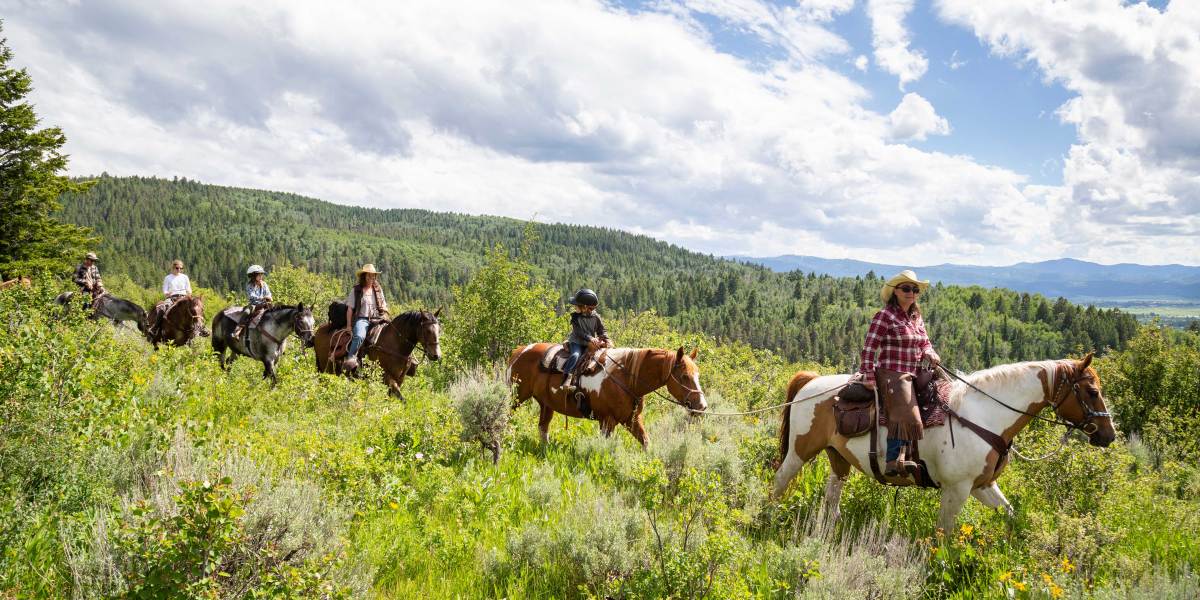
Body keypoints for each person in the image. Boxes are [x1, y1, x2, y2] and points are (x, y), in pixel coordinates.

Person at [859, 270, 941, 477]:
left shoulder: (916, 317)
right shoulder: (884, 316)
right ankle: (893, 460)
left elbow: (924, 342)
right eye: (906, 288)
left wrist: (930, 353)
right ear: (895, 291)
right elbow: (869, 348)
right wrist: (868, 375)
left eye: (914, 289)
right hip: (892, 372)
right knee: (907, 413)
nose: (911, 292)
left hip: (914, 371)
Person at [556, 288, 610, 396]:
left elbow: (601, 330)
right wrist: (590, 338)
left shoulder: (596, 317)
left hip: (589, 344)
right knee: (576, 355)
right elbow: (578, 332)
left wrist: (604, 337)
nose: (574, 307)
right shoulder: (575, 317)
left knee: (598, 358)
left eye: (576, 305)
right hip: (576, 342)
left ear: (585, 307)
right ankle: (566, 377)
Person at [342, 263, 390, 370]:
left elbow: (383, 304)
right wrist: (349, 326)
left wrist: (386, 312)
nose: (372, 278)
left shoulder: (377, 289)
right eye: (369, 276)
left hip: (378, 318)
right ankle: (351, 358)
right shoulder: (356, 290)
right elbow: (350, 309)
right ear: (364, 277)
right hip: (362, 319)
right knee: (359, 336)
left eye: (373, 276)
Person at [148, 259, 193, 339]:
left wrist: (189, 294)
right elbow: (165, 289)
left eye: (181, 268)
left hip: (183, 298)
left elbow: (189, 289)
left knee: (196, 308)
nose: (179, 270)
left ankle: (199, 329)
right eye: (177, 268)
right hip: (172, 297)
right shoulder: (168, 278)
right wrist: (167, 293)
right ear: (173, 268)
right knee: (163, 308)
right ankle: (155, 328)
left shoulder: (185, 277)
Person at [232, 264, 272, 340]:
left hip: (265, 304)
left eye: (261, 274)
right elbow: (251, 296)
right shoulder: (249, 285)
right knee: (247, 312)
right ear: (253, 276)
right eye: (259, 275)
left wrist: (269, 297)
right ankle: (237, 331)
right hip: (254, 305)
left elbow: (268, 293)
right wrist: (262, 298)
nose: (261, 276)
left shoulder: (264, 284)